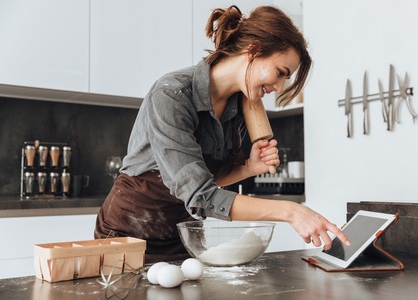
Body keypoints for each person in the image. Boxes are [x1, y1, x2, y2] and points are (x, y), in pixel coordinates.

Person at [95, 5, 350, 262]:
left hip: (181, 235)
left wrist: (248, 168)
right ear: (254, 50)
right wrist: (291, 212)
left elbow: (210, 180)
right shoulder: (171, 94)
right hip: (126, 232)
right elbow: (201, 196)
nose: (279, 86)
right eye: (280, 73)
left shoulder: (240, 105)